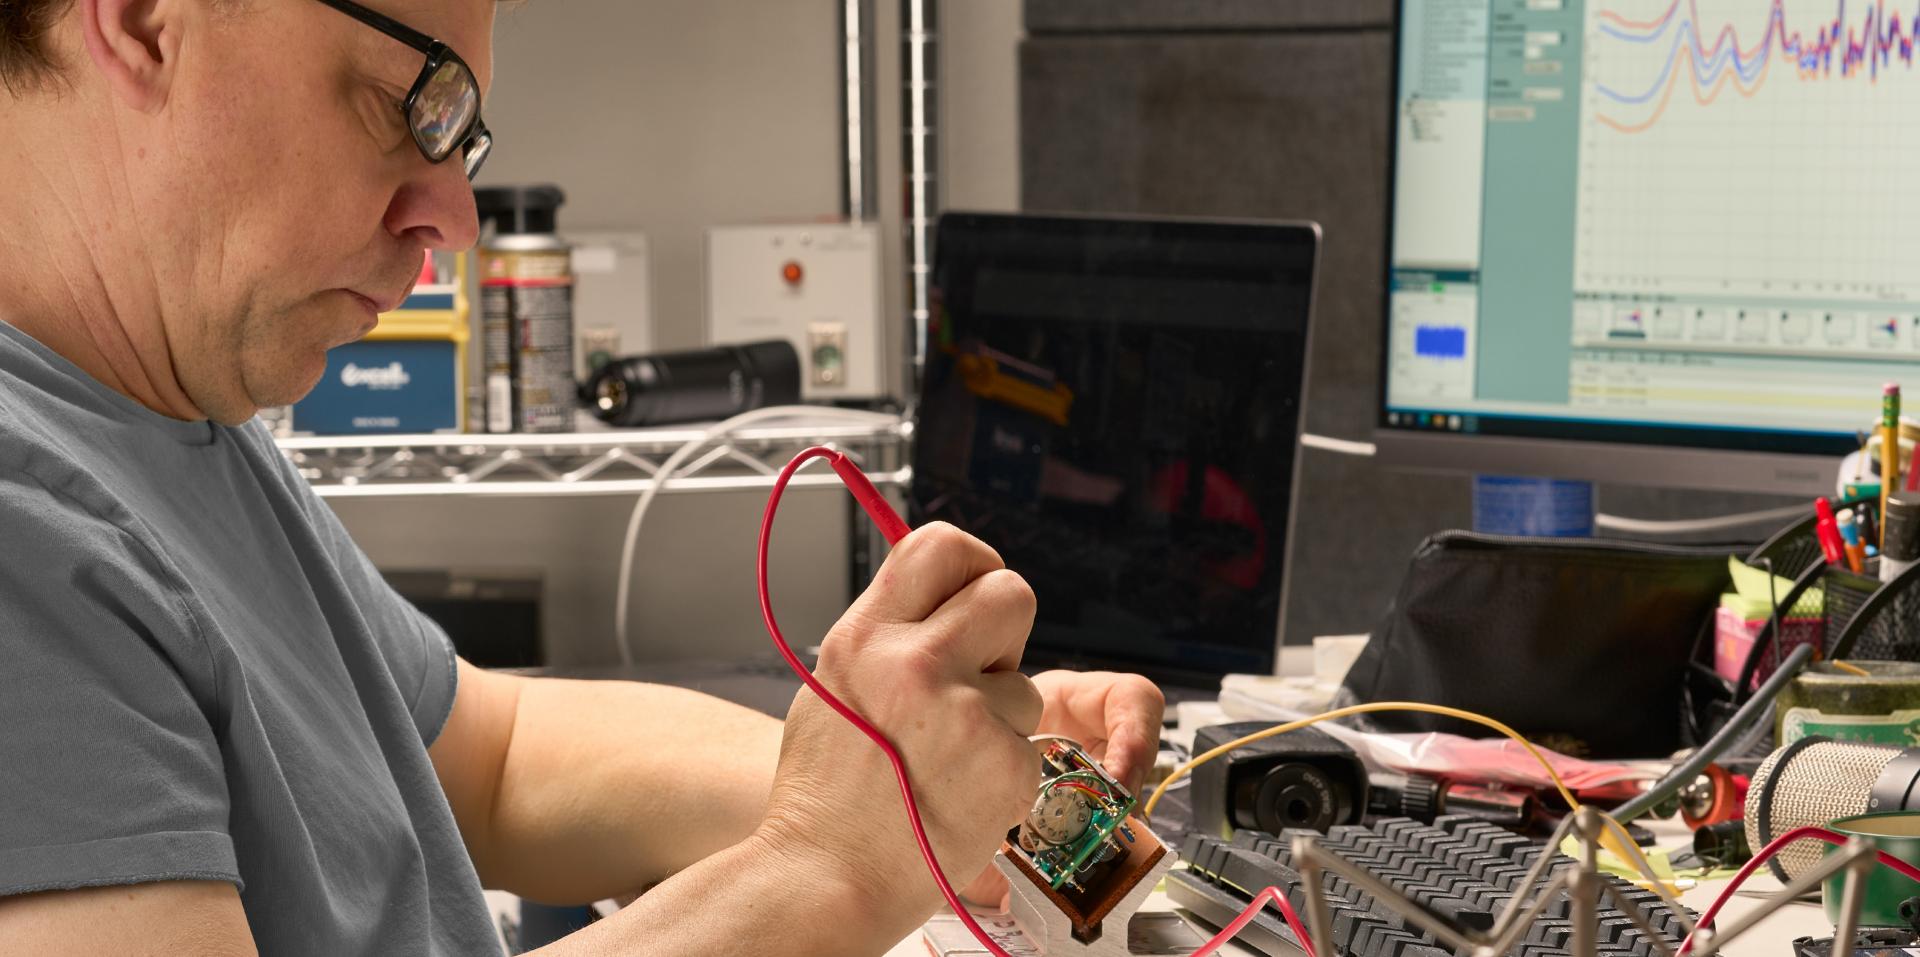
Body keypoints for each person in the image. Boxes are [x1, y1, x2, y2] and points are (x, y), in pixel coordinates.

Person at [0, 0, 1166, 953]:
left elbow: (496, 762)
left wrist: (914, 776)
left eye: (459, 140)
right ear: (145, 20)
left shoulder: (169, 414)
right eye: (409, 104)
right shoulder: (24, 520)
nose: (452, 218)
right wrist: (831, 863)